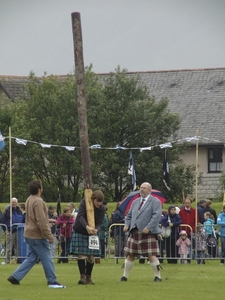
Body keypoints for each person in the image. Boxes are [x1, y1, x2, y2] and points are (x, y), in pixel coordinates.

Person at [7, 180, 65, 288]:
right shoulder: (38, 201)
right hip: (37, 235)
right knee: (47, 257)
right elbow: (41, 221)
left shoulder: (29, 199)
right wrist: (49, 235)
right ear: (39, 189)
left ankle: (15, 276)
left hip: (28, 233)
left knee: (31, 258)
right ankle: (52, 280)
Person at [119, 182, 162, 283]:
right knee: (130, 254)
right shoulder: (135, 202)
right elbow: (129, 216)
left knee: (151, 255)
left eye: (144, 188)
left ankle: (158, 277)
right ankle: (124, 276)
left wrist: (149, 227)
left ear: (149, 190)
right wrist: (127, 224)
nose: (141, 190)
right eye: (141, 188)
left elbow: (156, 216)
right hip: (135, 232)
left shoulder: (155, 202)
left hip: (148, 232)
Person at [70, 190, 105, 285]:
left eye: (101, 201)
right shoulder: (84, 203)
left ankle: (88, 277)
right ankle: (82, 276)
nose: (99, 203)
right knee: (80, 254)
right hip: (80, 230)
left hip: (92, 233)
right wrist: (87, 227)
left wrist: (96, 229)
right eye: (97, 201)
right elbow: (80, 216)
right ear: (93, 199)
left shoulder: (101, 209)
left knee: (91, 256)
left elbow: (100, 222)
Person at [2, 197, 25, 264]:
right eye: (12, 202)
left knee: (17, 246)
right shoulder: (8, 210)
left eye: (15, 202)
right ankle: (7, 259)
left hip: (18, 230)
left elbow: (21, 218)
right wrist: (5, 230)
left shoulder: (19, 210)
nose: (14, 203)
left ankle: (17, 259)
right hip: (10, 230)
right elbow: (3, 220)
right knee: (9, 245)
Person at [179, 197, 198, 262]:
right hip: (183, 232)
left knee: (190, 246)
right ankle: (184, 260)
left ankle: (190, 259)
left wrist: (193, 229)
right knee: (183, 247)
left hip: (191, 231)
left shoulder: (194, 211)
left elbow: (196, 221)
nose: (187, 204)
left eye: (188, 203)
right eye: (186, 203)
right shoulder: (181, 211)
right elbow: (180, 221)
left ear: (191, 203)